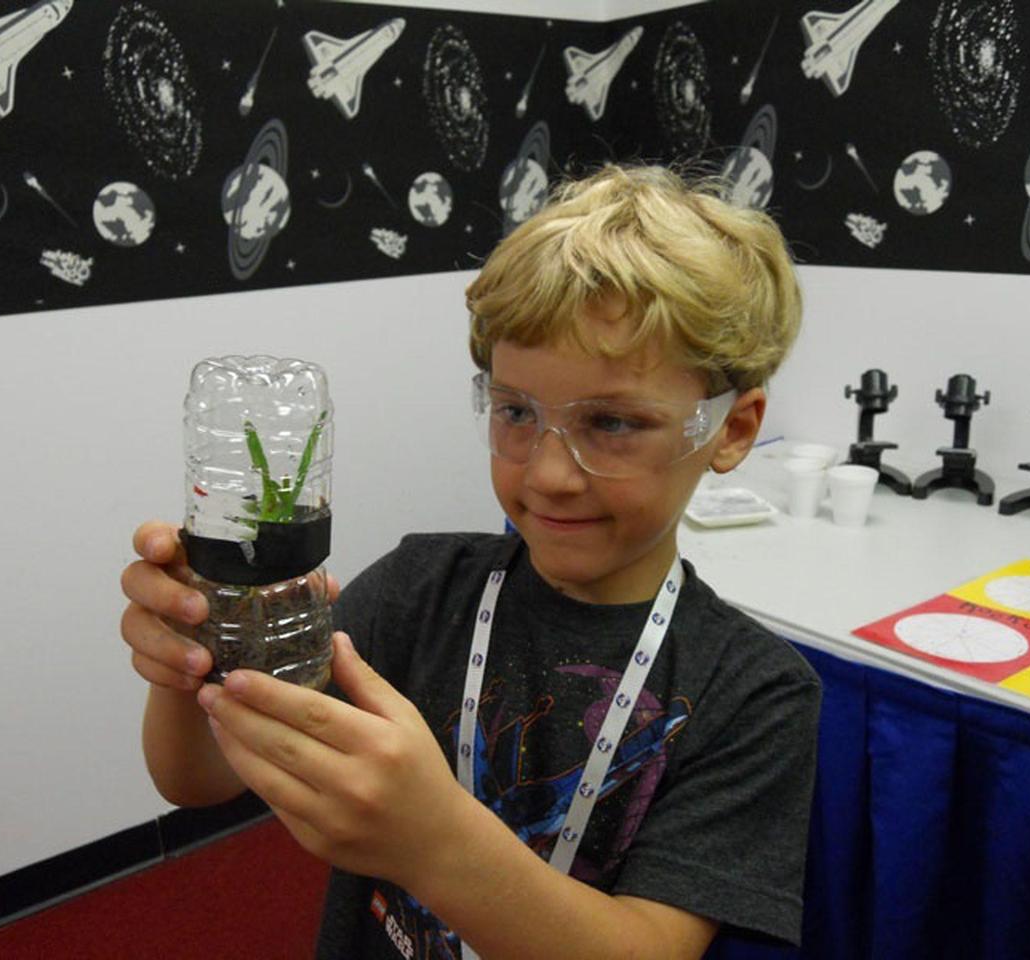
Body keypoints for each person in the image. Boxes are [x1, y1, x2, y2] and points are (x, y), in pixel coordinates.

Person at [120, 163, 820, 960]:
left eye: (615, 424)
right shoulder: (420, 590)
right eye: (517, 412)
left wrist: (435, 843)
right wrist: (185, 663)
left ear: (731, 431)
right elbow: (201, 779)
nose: (550, 474)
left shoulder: (754, 693)